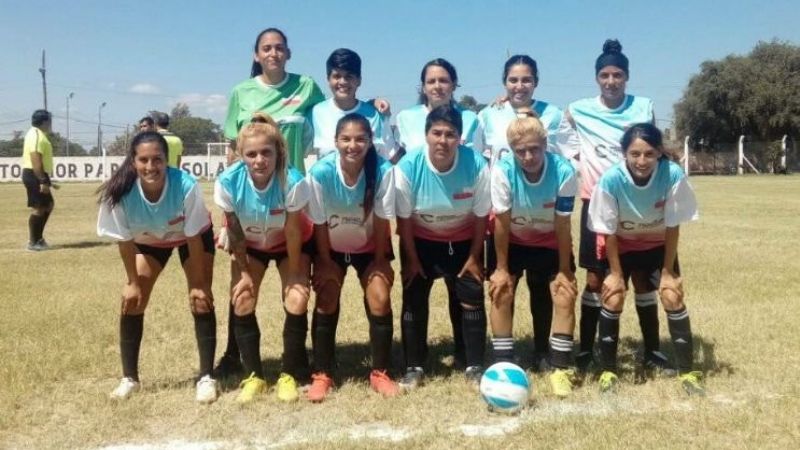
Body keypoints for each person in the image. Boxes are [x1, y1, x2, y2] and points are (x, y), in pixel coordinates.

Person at [557, 39, 667, 374]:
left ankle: (652, 352)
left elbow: (651, 143)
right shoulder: (578, 109)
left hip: (638, 202)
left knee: (642, 278)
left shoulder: (643, 107)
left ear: (627, 77)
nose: (611, 81)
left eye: (617, 74)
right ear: (596, 78)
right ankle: (587, 351)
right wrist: (584, 166)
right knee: (595, 279)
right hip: (595, 201)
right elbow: (564, 141)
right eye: (604, 75)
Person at [96, 131, 218, 403]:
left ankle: (206, 376)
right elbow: (125, 241)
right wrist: (132, 282)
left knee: (200, 299)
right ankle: (130, 379)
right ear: (133, 161)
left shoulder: (185, 184)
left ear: (167, 160)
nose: (151, 167)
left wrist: (198, 282)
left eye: (157, 160)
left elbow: (194, 235)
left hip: (192, 238)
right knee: (132, 300)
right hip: (150, 241)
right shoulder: (119, 192)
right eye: (144, 160)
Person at [588, 123, 704, 395]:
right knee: (613, 296)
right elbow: (609, 230)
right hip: (621, 247)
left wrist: (667, 271)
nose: (642, 161)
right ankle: (608, 372)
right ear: (624, 153)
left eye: (649, 154)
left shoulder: (672, 174)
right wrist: (615, 274)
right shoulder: (610, 180)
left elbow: (673, 225)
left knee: (672, 295)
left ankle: (688, 373)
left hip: (656, 247)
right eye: (635, 154)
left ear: (659, 153)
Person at [214, 113, 314, 403]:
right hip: (251, 245)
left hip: (288, 244)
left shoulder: (292, 180)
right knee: (242, 298)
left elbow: (294, 233)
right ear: (241, 155)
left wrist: (295, 272)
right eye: (252, 154)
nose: (259, 160)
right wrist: (244, 273)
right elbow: (234, 230)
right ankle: (254, 375)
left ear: (278, 152)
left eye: (266, 152)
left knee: (296, 297)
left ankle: (289, 374)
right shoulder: (228, 182)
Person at [395, 104, 490, 389]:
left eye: (450, 134)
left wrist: (474, 257)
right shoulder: (408, 167)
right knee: (413, 298)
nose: (443, 140)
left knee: (470, 297)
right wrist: (411, 260)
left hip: (462, 241)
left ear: (460, 138)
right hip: (421, 241)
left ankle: (472, 363)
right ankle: (414, 365)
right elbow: (404, 221)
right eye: (436, 133)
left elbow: (481, 216)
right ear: (426, 135)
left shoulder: (476, 163)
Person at [305, 113, 399, 401]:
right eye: (345, 139)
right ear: (335, 141)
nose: (353, 145)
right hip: (329, 247)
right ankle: (322, 373)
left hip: (369, 248)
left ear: (370, 142)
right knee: (327, 295)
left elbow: (383, 221)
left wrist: (381, 261)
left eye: (360, 139)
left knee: (380, 297)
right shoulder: (320, 173)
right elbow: (318, 223)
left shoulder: (383, 170)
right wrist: (323, 261)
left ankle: (380, 372)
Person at [487, 114, 579, 396]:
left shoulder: (564, 171)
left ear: (545, 144)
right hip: (512, 241)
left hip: (549, 241)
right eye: (521, 151)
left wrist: (565, 269)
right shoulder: (502, 171)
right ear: (512, 150)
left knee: (564, 292)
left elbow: (563, 224)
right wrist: (502, 268)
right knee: (501, 290)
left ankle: (559, 366)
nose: (528, 156)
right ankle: (503, 362)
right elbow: (501, 222)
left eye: (534, 149)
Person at [224, 27, 325, 175]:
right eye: (266, 49)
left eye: (279, 48)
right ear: (256, 56)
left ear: (288, 54)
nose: (273, 54)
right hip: (252, 187)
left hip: (292, 185)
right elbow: (233, 148)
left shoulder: (306, 86)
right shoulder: (240, 92)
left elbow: (330, 115)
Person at [310, 48, 397, 161]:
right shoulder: (315, 113)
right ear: (328, 79)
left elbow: (390, 156)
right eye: (337, 76)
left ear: (359, 80)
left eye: (349, 77)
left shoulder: (375, 115)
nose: (342, 82)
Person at [478, 55, 563, 164]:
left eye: (526, 80)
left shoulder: (555, 115)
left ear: (535, 82)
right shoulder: (487, 115)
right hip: (500, 181)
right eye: (513, 80)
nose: (519, 86)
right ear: (505, 82)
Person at [395, 58, 483, 153]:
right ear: (423, 87)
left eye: (443, 81)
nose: (437, 86)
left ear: (453, 85)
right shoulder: (405, 118)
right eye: (431, 81)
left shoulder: (470, 119)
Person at [21, 109, 55, 251]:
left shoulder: (38, 134)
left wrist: (46, 179)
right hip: (34, 174)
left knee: (48, 205)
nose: (51, 124)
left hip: (38, 174)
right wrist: (42, 180)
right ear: (45, 122)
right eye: (50, 121)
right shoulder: (36, 135)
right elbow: (35, 157)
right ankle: (33, 242)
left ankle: (38, 239)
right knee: (39, 208)